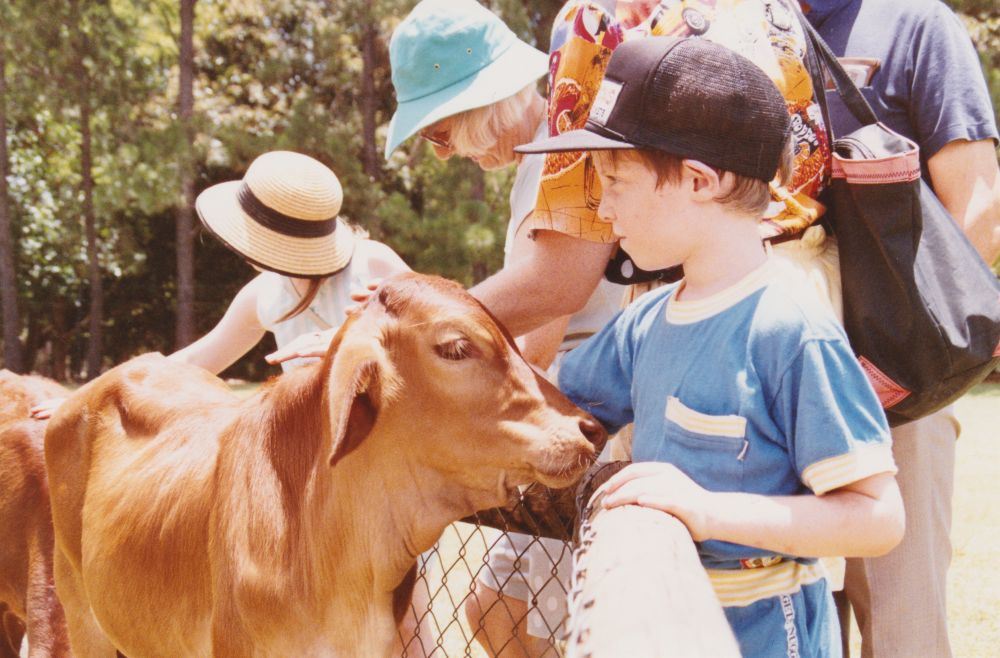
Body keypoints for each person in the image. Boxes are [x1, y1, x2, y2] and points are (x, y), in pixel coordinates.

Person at [516, 35, 905, 658]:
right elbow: (536, 397)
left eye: (615, 180)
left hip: (766, 638)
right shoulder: (647, 322)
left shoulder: (788, 328)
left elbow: (877, 517)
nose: (604, 207)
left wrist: (706, 510)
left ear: (699, 180)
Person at [29, 150, 430, 657]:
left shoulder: (374, 266)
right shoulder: (268, 292)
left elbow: (431, 348)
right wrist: (81, 400)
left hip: (376, 477)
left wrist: (356, 344)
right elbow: (199, 358)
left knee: (406, 626)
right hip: (307, 483)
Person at [381, 1, 626, 654]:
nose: (442, 156)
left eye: (439, 133)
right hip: (583, 404)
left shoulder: (557, 155)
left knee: (504, 608)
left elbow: (543, 324)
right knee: (500, 608)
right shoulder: (540, 158)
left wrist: (405, 346)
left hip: (599, 414)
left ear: (479, 100)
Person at [800, 2, 1000, 656]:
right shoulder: (732, 22)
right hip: (773, 381)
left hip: (897, 394)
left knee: (903, 629)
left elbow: (979, 210)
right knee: (781, 622)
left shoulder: (917, 24)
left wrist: (887, 362)